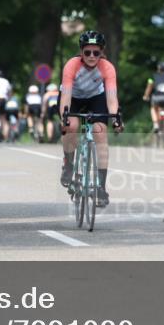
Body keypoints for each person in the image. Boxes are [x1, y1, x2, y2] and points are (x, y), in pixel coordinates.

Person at [59, 30, 123, 207]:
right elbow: (65, 97)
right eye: (87, 52)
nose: (92, 56)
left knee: (100, 132)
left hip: (96, 98)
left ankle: (101, 188)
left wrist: (116, 118)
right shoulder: (72, 65)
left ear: (102, 52)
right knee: (71, 126)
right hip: (74, 97)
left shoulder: (107, 68)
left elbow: (111, 98)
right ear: (81, 52)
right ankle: (68, 162)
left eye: (96, 52)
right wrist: (64, 117)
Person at [142, 61, 164, 138]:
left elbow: (149, 87)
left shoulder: (153, 76)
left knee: (153, 109)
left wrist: (146, 96)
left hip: (157, 98)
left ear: (159, 69)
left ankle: (156, 125)